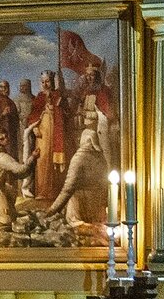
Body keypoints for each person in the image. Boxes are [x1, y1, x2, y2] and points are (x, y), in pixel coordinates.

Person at [49, 95, 111, 230]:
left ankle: (82, 225)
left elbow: (67, 189)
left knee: (72, 196)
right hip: (98, 206)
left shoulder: (79, 158)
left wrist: (52, 210)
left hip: (83, 207)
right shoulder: (101, 158)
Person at [31, 69, 69, 203]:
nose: (45, 84)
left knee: (54, 161)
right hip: (43, 132)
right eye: (43, 82)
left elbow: (67, 113)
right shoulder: (39, 97)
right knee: (42, 159)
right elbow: (33, 114)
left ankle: (54, 192)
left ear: (52, 82)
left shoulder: (58, 95)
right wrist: (35, 127)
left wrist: (60, 107)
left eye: (47, 81)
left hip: (56, 132)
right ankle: (42, 191)